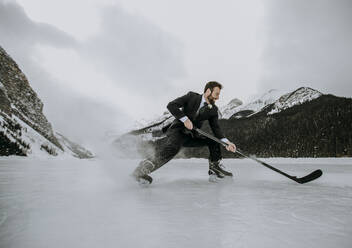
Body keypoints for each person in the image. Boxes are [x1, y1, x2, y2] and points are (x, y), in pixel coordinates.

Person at [132, 81, 236, 184]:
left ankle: (215, 169)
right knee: (173, 149)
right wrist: (185, 119)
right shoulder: (191, 97)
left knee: (213, 141)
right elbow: (171, 105)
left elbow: (216, 129)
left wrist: (226, 142)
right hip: (177, 131)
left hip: (191, 135)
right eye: (216, 94)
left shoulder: (213, 110)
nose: (217, 98)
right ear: (208, 91)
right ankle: (141, 170)